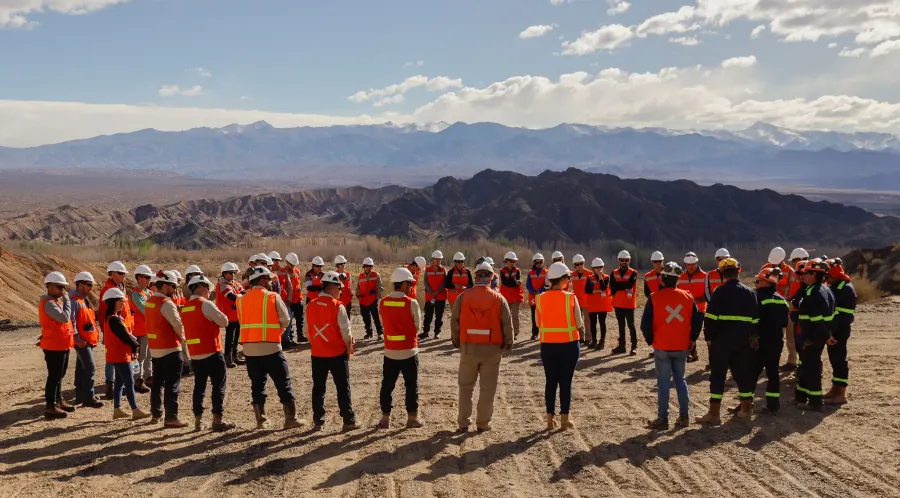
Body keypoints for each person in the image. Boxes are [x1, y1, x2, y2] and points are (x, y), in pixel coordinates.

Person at [238, 266, 305, 430]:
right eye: (268, 279)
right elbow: (286, 320)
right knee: (283, 383)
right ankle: (290, 418)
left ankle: (261, 420)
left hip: (249, 350)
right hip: (271, 348)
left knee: (257, 385)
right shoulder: (272, 297)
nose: (271, 282)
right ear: (262, 280)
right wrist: (279, 332)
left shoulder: (240, 299)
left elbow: (243, 321)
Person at [451, 261, 515, 432]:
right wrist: (507, 343)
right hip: (491, 351)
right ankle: (483, 423)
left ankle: (464, 423)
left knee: (465, 387)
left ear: (475, 276)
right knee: (487, 389)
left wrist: (457, 341)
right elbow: (507, 325)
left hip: (468, 349)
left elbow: (454, 321)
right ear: (491, 277)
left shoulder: (463, 297)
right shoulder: (499, 299)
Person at [697, 258, 759, 424]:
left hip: (721, 343)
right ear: (739, 271)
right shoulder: (750, 292)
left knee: (718, 376)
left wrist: (709, 338)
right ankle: (746, 411)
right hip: (742, 343)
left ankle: (714, 414)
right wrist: (751, 339)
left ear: (721, 273)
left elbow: (710, 318)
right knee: (742, 376)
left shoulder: (719, 292)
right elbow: (755, 321)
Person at [641, 262, 702, 429]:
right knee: (680, 380)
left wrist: (650, 340)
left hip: (662, 346)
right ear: (678, 279)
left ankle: (663, 419)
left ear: (663, 278)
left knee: (663, 382)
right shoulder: (688, 296)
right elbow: (698, 320)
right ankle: (684, 417)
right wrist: (692, 339)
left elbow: (645, 324)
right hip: (682, 345)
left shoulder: (654, 297)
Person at [304, 271, 359, 432]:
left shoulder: (310, 305)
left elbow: (307, 331)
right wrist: (348, 350)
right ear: (333, 287)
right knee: (342, 387)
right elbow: (346, 333)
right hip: (336, 354)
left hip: (317, 354)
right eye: (339, 288)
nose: (341, 291)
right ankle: (348, 420)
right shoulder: (338, 306)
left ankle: (318, 421)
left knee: (318, 388)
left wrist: (318, 343)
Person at [181, 276, 236, 432]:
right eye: (208, 289)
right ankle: (217, 419)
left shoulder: (186, 307)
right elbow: (224, 322)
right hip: (212, 352)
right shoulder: (206, 305)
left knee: (199, 387)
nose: (209, 292)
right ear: (202, 287)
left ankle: (198, 421)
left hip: (195, 354)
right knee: (218, 386)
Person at [536, 262, 584, 430]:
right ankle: (565, 419)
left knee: (550, 381)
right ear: (563, 279)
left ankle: (550, 420)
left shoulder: (540, 298)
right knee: (565, 382)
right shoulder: (570, 298)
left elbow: (538, 322)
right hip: (569, 345)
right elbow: (579, 322)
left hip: (548, 346)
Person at [377, 267, 424, 429]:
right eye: (410, 284)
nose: (411, 286)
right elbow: (417, 326)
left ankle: (385, 419)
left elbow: (384, 324)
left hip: (390, 352)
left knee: (387, 385)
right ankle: (412, 418)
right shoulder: (412, 303)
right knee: (411, 386)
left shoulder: (382, 302)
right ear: (403, 284)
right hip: (409, 351)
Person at [146, 270, 190, 428]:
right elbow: (177, 325)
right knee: (172, 384)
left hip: (156, 349)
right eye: (172, 286)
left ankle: (156, 414)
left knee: (157, 383)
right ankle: (171, 417)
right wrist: (183, 338)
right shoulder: (166, 303)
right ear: (164, 286)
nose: (175, 290)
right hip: (170, 348)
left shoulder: (149, 301)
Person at [102, 288, 151, 421]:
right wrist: (135, 346)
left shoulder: (112, 318)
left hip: (117, 355)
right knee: (129, 382)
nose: (122, 304)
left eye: (122, 301)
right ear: (112, 302)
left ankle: (117, 409)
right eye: (119, 301)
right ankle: (135, 410)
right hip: (120, 355)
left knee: (119, 382)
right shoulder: (114, 319)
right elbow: (126, 337)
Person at [795, 259, 836, 411]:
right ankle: (801, 396)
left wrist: (824, 336)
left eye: (806, 273)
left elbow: (816, 318)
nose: (803, 275)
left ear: (814, 274)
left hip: (812, 337)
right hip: (817, 336)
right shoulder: (825, 290)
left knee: (811, 368)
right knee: (807, 366)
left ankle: (815, 401)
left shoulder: (813, 292)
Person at [750, 267, 790, 414]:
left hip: (758, 342)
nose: (756, 283)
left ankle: (745, 406)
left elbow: (752, 320)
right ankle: (773, 406)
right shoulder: (782, 300)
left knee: (751, 373)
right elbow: (785, 323)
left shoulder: (755, 296)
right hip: (776, 342)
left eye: (758, 281)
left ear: (766, 282)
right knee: (773, 373)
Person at [39, 272, 75, 419]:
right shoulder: (48, 303)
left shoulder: (55, 301)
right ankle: (50, 406)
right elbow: (64, 317)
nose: (63, 291)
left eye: (63, 287)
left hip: (61, 344)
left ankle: (58, 401)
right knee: (54, 376)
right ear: (50, 286)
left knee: (59, 375)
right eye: (60, 287)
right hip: (54, 346)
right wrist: (67, 302)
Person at [98, 261, 135, 400]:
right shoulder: (107, 290)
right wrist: (106, 331)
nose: (123, 276)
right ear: (112, 274)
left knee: (122, 356)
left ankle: (119, 386)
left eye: (124, 273)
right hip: (114, 328)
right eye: (120, 273)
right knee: (111, 358)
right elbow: (103, 313)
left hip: (124, 327)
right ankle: (110, 386)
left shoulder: (120, 288)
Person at [70, 272, 104, 408]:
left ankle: (80, 396)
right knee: (90, 368)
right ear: (79, 284)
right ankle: (88, 397)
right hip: (82, 341)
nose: (91, 288)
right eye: (89, 285)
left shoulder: (83, 300)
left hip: (86, 340)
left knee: (81, 369)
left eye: (91, 285)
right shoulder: (74, 301)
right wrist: (77, 338)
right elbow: (70, 322)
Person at [824, 263, 856, 406]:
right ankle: (835, 389)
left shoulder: (843, 288)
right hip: (837, 329)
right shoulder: (839, 286)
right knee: (834, 359)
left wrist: (832, 332)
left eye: (828, 276)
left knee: (839, 360)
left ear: (834, 276)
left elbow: (840, 315)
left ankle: (841, 394)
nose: (826, 279)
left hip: (840, 330)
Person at [782, 247, 810, 372]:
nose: (793, 263)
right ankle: (799, 366)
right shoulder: (798, 272)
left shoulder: (804, 273)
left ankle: (800, 366)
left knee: (800, 341)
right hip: (793, 308)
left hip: (799, 311)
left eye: (794, 260)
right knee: (796, 341)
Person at [677, 252, 707, 364]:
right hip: (685, 309)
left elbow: (708, 294)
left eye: (693, 264)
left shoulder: (705, 276)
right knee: (687, 331)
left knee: (695, 331)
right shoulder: (681, 277)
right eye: (689, 264)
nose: (691, 266)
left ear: (696, 263)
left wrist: (698, 300)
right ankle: (690, 353)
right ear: (685, 265)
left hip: (700, 308)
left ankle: (691, 352)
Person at [610, 250, 639, 355]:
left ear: (629, 261)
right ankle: (622, 346)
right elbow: (612, 287)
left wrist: (619, 286)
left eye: (626, 260)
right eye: (622, 260)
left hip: (629, 304)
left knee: (631, 325)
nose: (624, 262)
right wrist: (623, 285)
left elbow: (630, 285)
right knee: (621, 325)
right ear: (619, 261)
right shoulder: (614, 273)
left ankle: (634, 346)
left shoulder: (634, 273)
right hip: (618, 304)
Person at [216, 262, 245, 368]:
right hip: (228, 315)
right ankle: (228, 358)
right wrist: (242, 296)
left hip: (236, 314)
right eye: (231, 273)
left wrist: (242, 296)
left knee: (236, 337)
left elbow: (243, 293)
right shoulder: (222, 285)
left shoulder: (235, 283)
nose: (233, 275)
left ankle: (234, 356)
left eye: (234, 273)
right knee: (230, 338)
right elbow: (232, 297)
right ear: (224, 274)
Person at [130, 265, 154, 393]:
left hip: (148, 329)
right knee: (140, 356)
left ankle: (148, 377)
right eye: (146, 277)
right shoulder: (136, 294)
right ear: (139, 278)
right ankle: (137, 380)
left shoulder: (148, 292)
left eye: (149, 277)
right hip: (140, 330)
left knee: (149, 355)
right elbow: (145, 310)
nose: (148, 280)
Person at [584, 258, 612, 350]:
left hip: (602, 304)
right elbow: (587, 290)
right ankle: (594, 340)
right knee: (593, 323)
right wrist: (598, 290)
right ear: (593, 268)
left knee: (602, 322)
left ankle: (602, 341)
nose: (599, 269)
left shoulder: (606, 277)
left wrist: (600, 278)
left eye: (600, 267)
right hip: (592, 304)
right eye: (596, 267)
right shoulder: (589, 278)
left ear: (603, 267)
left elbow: (604, 287)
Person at [282, 252, 308, 347]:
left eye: (294, 264)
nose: (292, 266)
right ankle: (289, 338)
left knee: (300, 319)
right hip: (289, 300)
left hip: (298, 298)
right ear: (287, 262)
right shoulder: (283, 272)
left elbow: (298, 284)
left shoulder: (297, 271)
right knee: (289, 321)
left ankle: (300, 335)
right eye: (291, 264)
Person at [420, 250, 448, 340]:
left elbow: (445, 282)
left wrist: (437, 292)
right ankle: (425, 332)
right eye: (436, 259)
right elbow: (425, 282)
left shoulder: (443, 270)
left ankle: (437, 332)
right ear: (433, 259)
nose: (438, 261)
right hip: (430, 297)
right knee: (428, 315)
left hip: (441, 296)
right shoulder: (428, 269)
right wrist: (431, 292)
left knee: (439, 316)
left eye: (439, 259)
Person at [499, 251, 524, 339]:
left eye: (514, 261)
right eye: (511, 261)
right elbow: (506, 283)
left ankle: (515, 333)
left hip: (515, 297)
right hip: (505, 297)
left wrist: (515, 281)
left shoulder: (517, 270)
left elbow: (518, 280)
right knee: (506, 316)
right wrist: (514, 282)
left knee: (515, 315)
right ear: (506, 261)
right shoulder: (502, 271)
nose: (513, 263)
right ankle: (507, 332)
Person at [357, 257, 384, 340]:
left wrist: (377, 297)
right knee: (366, 318)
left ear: (372, 267)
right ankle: (369, 333)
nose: (368, 268)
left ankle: (380, 333)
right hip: (363, 301)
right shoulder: (360, 276)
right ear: (364, 267)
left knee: (376, 317)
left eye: (370, 266)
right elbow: (358, 288)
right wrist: (357, 295)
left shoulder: (376, 275)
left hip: (373, 300)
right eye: (366, 266)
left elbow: (380, 287)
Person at [445, 253, 474, 329]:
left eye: (462, 261)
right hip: (453, 299)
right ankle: (455, 332)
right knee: (455, 317)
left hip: (465, 298)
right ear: (455, 262)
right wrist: (455, 286)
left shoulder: (467, 272)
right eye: (459, 262)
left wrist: (466, 287)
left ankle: (463, 331)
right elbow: (446, 284)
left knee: (464, 316)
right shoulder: (451, 272)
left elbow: (471, 284)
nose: (461, 263)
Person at [569, 254, 592, 346]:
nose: (579, 266)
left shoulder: (589, 274)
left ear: (584, 263)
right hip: (576, 301)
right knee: (578, 320)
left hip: (587, 301)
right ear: (575, 265)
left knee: (587, 321)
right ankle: (580, 337)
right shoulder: (572, 275)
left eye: (581, 263)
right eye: (577, 264)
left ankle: (588, 338)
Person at [526, 253, 548, 341]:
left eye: (540, 262)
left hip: (542, 297)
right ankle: (534, 334)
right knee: (534, 316)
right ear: (534, 263)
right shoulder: (530, 273)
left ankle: (543, 333)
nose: (539, 264)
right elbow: (528, 284)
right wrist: (533, 292)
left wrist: (539, 291)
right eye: (537, 262)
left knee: (543, 316)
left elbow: (547, 285)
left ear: (543, 262)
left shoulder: (547, 272)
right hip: (533, 297)